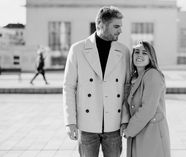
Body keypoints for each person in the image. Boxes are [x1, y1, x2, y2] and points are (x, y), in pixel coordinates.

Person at [63, 6, 130, 157]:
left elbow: (127, 88)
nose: (120, 31)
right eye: (116, 26)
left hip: (114, 125)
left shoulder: (124, 51)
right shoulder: (78, 49)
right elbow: (68, 87)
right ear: (100, 24)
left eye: (121, 26)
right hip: (87, 125)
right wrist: (70, 121)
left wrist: (125, 120)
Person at [122, 41, 171, 157]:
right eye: (136, 52)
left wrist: (129, 130)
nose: (139, 55)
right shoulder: (134, 77)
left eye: (144, 53)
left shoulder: (152, 75)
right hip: (139, 132)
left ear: (151, 57)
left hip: (151, 134)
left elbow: (148, 109)